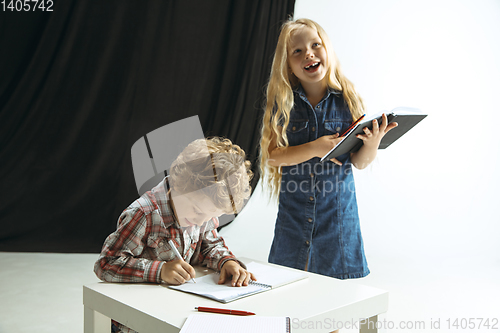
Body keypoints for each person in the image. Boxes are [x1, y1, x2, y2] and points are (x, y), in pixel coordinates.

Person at [260, 18, 397, 280]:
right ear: (288, 64)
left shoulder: (347, 99)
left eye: (315, 45)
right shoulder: (284, 104)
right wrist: (315, 147)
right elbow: (273, 157)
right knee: (290, 289)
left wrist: (372, 144)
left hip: (337, 220)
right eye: (297, 51)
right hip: (294, 220)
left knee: (334, 296)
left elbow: (358, 162)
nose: (308, 53)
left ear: (327, 50)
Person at [94, 137, 256, 333]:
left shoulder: (202, 215)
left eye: (211, 217)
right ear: (179, 185)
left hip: (174, 312)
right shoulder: (144, 214)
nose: (200, 221)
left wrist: (226, 262)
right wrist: (160, 270)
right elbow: (106, 264)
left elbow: (210, 245)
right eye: (196, 210)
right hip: (135, 323)